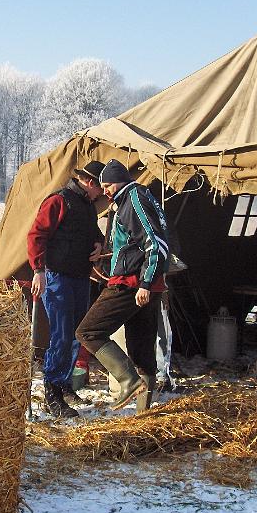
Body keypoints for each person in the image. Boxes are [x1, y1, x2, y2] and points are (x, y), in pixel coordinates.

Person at [76, 158, 170, 413]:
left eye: (107, 185)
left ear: (119, 182)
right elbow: (134, 243)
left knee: (88, 332)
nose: (104, 190)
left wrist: (145, 283)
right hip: (144, 284)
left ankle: (128, 381)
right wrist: (108, 256)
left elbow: (154, 242)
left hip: (132, 284)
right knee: (142, 351)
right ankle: (143, 413)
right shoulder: (136, 200)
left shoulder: (134, 198)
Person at [28, 161, 106, 418]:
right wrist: (39, 270)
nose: (103, 193)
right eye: (100, 187)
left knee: (76, 334)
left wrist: (98, 244)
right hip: (58, 277)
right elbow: (36, 235)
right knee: (61, 336)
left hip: (80, 277)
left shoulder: (87, 206)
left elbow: (93, 233)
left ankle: (63, 383)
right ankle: (51, 391)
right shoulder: (58, 201)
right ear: (90, 183)